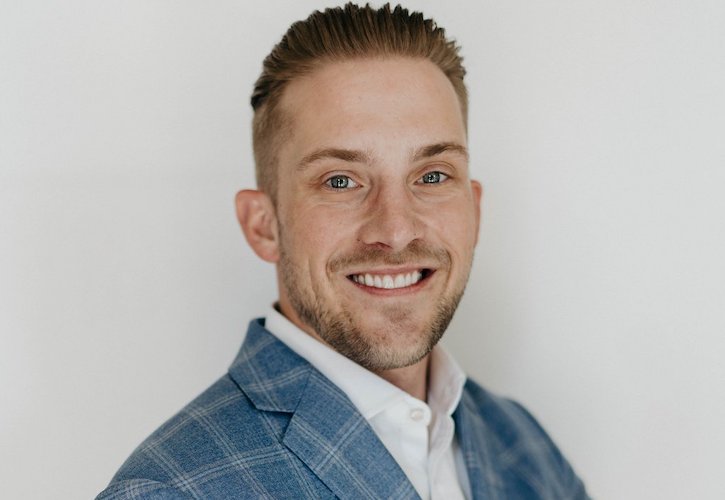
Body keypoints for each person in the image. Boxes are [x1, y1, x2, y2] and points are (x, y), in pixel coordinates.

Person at [98, 3, 589, 499]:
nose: (396, 230)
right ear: (263, 226)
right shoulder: (167, 491)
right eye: (340, 181)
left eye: (433, 176)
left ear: (474, 210)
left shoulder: (526, 449)